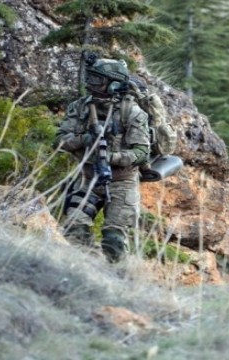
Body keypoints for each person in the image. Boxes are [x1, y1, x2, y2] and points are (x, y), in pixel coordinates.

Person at [55, 55, 150, 262]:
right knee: (74, 229)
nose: (90, 84)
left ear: (113, 84)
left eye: (97, 80)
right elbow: (61, 140)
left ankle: (117, 281)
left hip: (122, 183)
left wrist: (112, 157)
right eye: (90, 78)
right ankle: (85, 270)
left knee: (114, 241)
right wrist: (85, 139)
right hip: (87, 179)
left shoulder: (132, 113)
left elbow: (142, 152)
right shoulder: (80, 107)